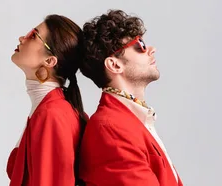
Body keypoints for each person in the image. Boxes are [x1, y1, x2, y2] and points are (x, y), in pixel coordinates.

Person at [78, 9, 183, 186]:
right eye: (139, 44)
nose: (150, 49)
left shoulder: (133, 119)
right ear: (114, 64)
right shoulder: (111, 129)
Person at [6, 14, 87, 186]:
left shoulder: (52, 115)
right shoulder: (53, 109)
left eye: (33, 35)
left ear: (50, 61)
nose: (22, 38)